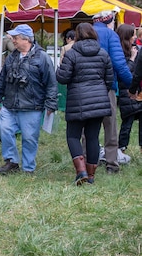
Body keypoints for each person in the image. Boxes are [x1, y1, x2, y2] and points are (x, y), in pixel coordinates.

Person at [0, 24, 57, 175]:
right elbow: (2, 78)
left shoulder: (42, 57)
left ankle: (28, 167)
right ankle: (11, 161)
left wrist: (51, 104)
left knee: (29, 138)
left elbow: (51, 83)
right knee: (5, 130)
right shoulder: (11, 56)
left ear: (26, 39)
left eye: (15, 38)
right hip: (10, 104)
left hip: (31, 106)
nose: (13, 41)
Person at [56, 23, 113, 185]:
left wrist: (58, 70)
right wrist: (99, 91)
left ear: (77, 36)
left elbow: (63, 78)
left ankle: (81, 171)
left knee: (73, 136)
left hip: (77, 100)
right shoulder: (103, 54)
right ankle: (91, 175)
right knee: (93, 137)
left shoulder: (71, 54)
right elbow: (109, 80)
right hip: (99, 101)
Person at [92, 10, 132, 174]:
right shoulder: (110, 35)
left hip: (85, 88)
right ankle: (111, 163)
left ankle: (89, 160)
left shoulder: (85, 33)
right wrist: (132, 84)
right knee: (110, 125)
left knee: (89, 125)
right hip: (107, 86)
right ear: (110, 20)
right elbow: (119, 64)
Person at [116, 24, 141, 159]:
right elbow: (125, 73)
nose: (135, 37)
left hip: (135, 92)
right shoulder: (120, 52)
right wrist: (132, 58)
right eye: (133, 34)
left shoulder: (134, 49)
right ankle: (121, 148)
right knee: (127, 124)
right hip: (127, 93)